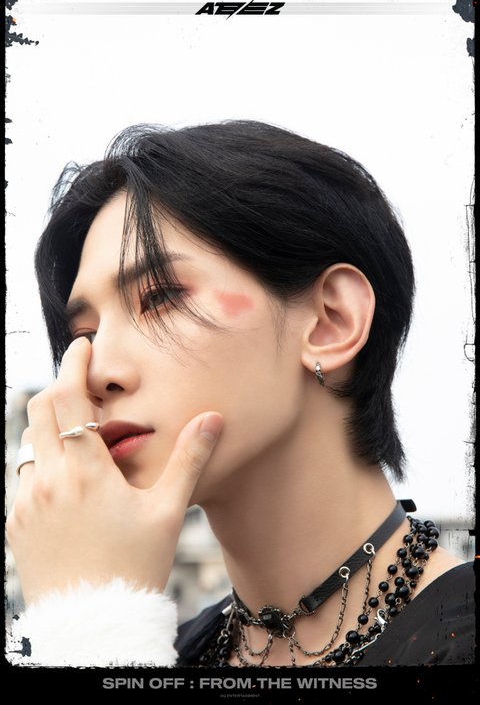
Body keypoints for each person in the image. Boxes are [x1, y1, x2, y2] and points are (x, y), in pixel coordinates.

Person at [6, 120, 474, 668]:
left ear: (332, 321)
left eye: (160, 298)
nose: (98, 371)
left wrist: (90, 624)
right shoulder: (156, 648)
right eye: (84, 335)